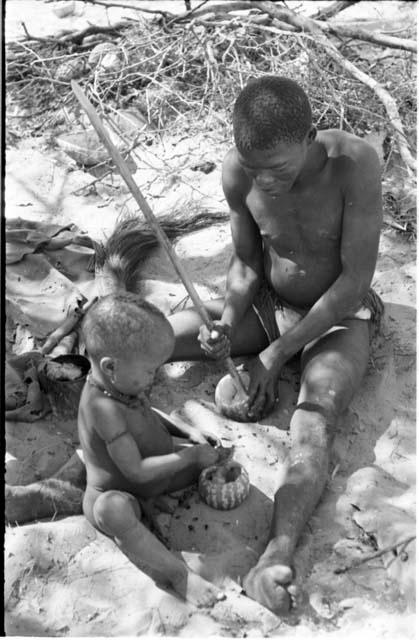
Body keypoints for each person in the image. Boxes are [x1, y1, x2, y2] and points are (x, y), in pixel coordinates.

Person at [167, 76, 384, 614]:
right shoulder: (239, 172)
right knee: (168, 335)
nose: (264, 180)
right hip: (268, 302)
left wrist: (275, 354)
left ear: (310, 136)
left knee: (315, 417)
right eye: (254, 168)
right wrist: (231, 319)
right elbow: (244, 263)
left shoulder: (355, 166)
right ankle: (63, 368)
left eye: (278, 168)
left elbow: (354, 282)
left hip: (337, 318)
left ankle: (277, 553)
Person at [78, 292, 226, 607]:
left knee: (212, 455)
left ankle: (173, 481)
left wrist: (187, 432)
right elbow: (135, 471)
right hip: (124, 491)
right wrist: (188, 455)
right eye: (149, 371)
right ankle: (177, 575)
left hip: (154, 476)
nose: (153, 377)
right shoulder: (102, 407)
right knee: (112, 511)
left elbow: (148, 412)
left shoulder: (119, 386)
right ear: (111, 366)